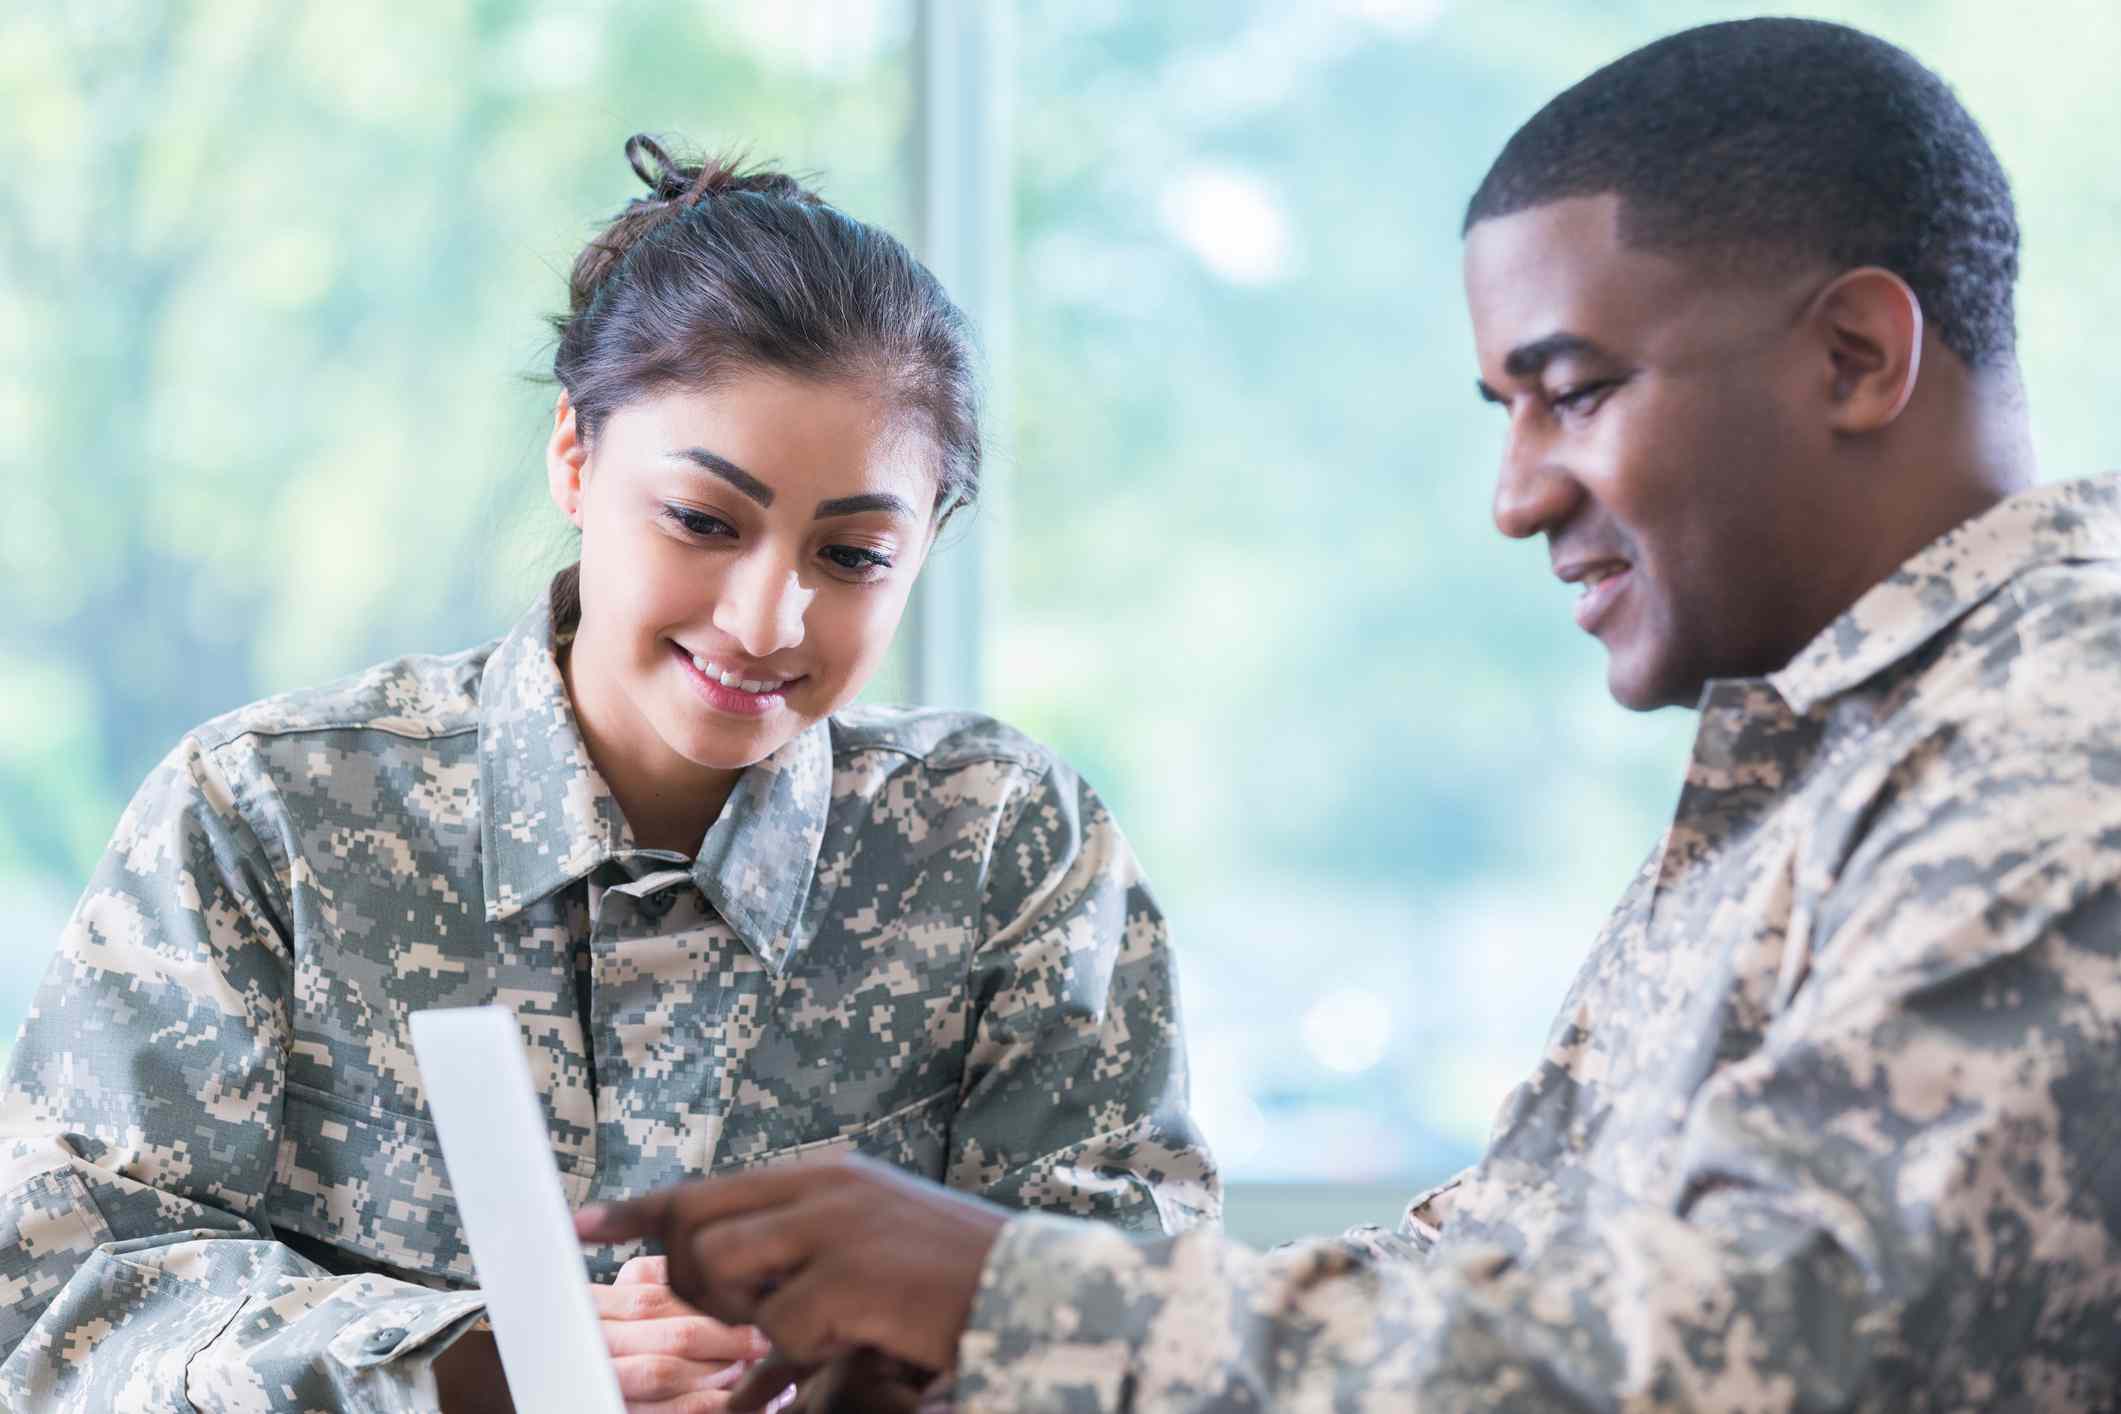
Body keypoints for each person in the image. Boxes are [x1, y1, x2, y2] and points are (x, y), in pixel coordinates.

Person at [575, 20, 2121, 1412]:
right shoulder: (1836, 760)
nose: (1517, 495)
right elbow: (1495, 1271)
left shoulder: (2070, 735)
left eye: (1571, 391)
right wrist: (963, 1344)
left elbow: (1774, 1355)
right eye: (1503, 411)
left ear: (1855, 356)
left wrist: (1000, 1293)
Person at [0, 136, 1217, 1413]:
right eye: (703, 521)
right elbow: (58, 1307)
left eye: (852, 554)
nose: (765, 619)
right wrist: (489, 1357)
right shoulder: (266, 815)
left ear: (929, 546)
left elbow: (1138, 1325)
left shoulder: (1004, 847)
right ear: (575, 459)